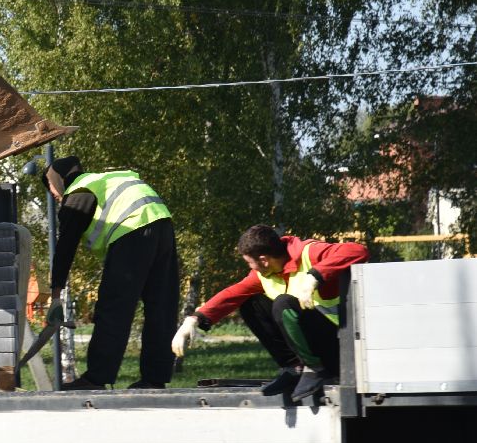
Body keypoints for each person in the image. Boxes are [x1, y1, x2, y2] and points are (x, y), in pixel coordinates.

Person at [173, 225, 367, 401]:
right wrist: (193, 320)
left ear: (264, 260)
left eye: (250, 263)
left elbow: (358, 250)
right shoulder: (263, 274)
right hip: (316, 344)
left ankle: (316, 370)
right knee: (250, 302)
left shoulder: (309, 253)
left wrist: (314, 276)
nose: (250, 267)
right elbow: (232, 293)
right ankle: (294, 369)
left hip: (340, 348)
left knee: (283, 303)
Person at [43, 156, 179, 390]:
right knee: (161, 306)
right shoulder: (107, 179)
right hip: (163, 224)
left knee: (114, 306)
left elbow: (65, 248)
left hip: (131, 230)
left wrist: (55, 295)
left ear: (58, 179)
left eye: (50, 187)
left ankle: (96, 378)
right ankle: (155, 379)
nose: (53, 195)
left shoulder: (78, 193)